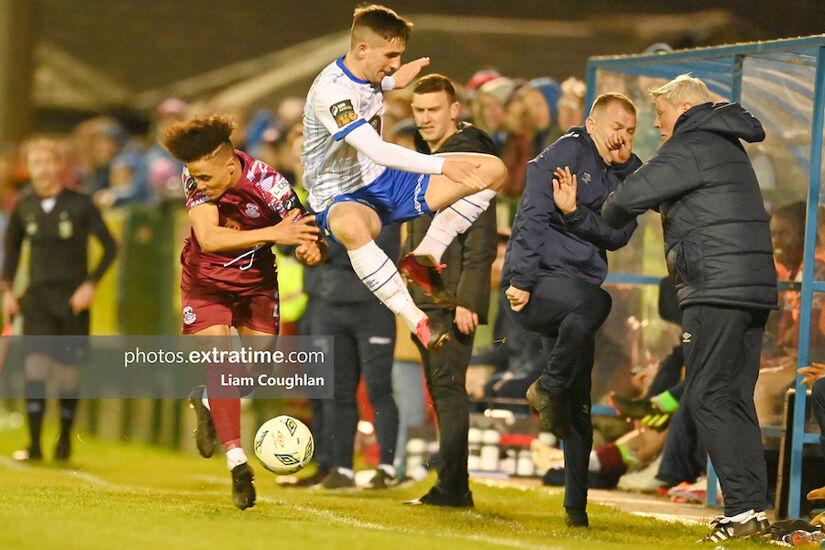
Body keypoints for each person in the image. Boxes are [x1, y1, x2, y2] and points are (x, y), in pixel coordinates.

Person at [601, 74, 777, 542]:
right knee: (732, 395)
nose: (657, 126)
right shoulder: (719, 140)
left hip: (715, 288)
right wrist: (629, 168)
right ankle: (752, 512)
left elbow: (629, 201)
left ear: (681, 108)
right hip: (749, 287)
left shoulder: (691, 141)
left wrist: (607, 199)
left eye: (659, 116)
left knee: (704, 395)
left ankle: (741, 510)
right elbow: (657, 178)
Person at [301, 4, 506, 351]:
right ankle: (416, 319)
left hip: (384, 181)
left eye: (400, 55)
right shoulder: (331, 93)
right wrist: (443, 167)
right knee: (352, 229)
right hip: (342, 196)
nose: (395, 62)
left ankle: (426, 254)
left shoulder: (369, 72)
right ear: (363, 49)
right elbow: (377, 150)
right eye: (391, 55)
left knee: (492, 170)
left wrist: (396, 80)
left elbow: (373, 83)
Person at [161, 115, 321, 510]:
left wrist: (308, 248)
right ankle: (238, 464)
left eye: (205, 177)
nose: (199, 184)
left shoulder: (271, 185)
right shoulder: (195, 175)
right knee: (222, 364)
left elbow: (302, 234)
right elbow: (210, 238)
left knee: (252, 374)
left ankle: (206, 400)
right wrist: (273, 234)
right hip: (205, 282)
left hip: (257, 285)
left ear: (230, 165)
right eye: (194, 177)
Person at [501, 92, 642, 527]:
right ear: (592, 123)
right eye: (616, 127)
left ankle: (575, 512)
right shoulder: (566, 151)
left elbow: (617, 236)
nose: (622, 137)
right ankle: (546, 386)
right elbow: (531, 216)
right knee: (598, 301)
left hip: (576, 301)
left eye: (631, 130)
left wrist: (577, 211)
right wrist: (520, 280)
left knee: (578, 406)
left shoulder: (631, 176)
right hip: (539, 287)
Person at [399, 74, 497, 507]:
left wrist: (467, 302)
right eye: (418, 110)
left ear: (454, 110)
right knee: (442, 392)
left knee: (448, 390)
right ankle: (452, 486)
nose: (424, 118)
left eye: (433, 109)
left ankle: (454, 488)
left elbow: (480, 239)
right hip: (426, 299)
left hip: (448, 301)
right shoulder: (431, 156)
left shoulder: (471, 160)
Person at [2, 138, 117, 462]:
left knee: (67, 373)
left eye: (49, 162)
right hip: (37, 298)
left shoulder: (80, 204)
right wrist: (8, 290)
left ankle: (64, 440)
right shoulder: (23, 206)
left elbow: (110, 247)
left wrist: (90, 285)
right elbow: (11, 251)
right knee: (35, 368)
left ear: (59, 166)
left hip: (71, 301)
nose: (43, 169)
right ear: (29, 167)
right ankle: (35, 444)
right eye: (36, 163)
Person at [311, 224, 401, 490]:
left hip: (373, 306)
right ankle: (342, 469)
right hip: (331, 306)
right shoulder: (323, 199)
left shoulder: (381, 198)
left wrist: (326, 244)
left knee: (379, 388)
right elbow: (293, 244)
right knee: (337, 391)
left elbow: (377, 251)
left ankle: (386, 468)